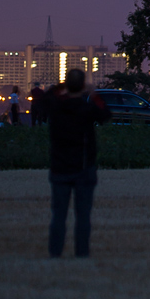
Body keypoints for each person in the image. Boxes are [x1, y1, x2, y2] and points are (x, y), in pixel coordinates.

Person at [47, 69, 109, 259]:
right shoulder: (86, 108)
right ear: (82, 85)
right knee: (82, 216)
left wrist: (61, 88)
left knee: (58, 216)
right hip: (83, 168)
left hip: (59, 168)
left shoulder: (56, 108)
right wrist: (93, 94)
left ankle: (55, 253)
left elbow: (47, 98)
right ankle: (81, 253)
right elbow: (105, 114)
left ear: (66, 85)